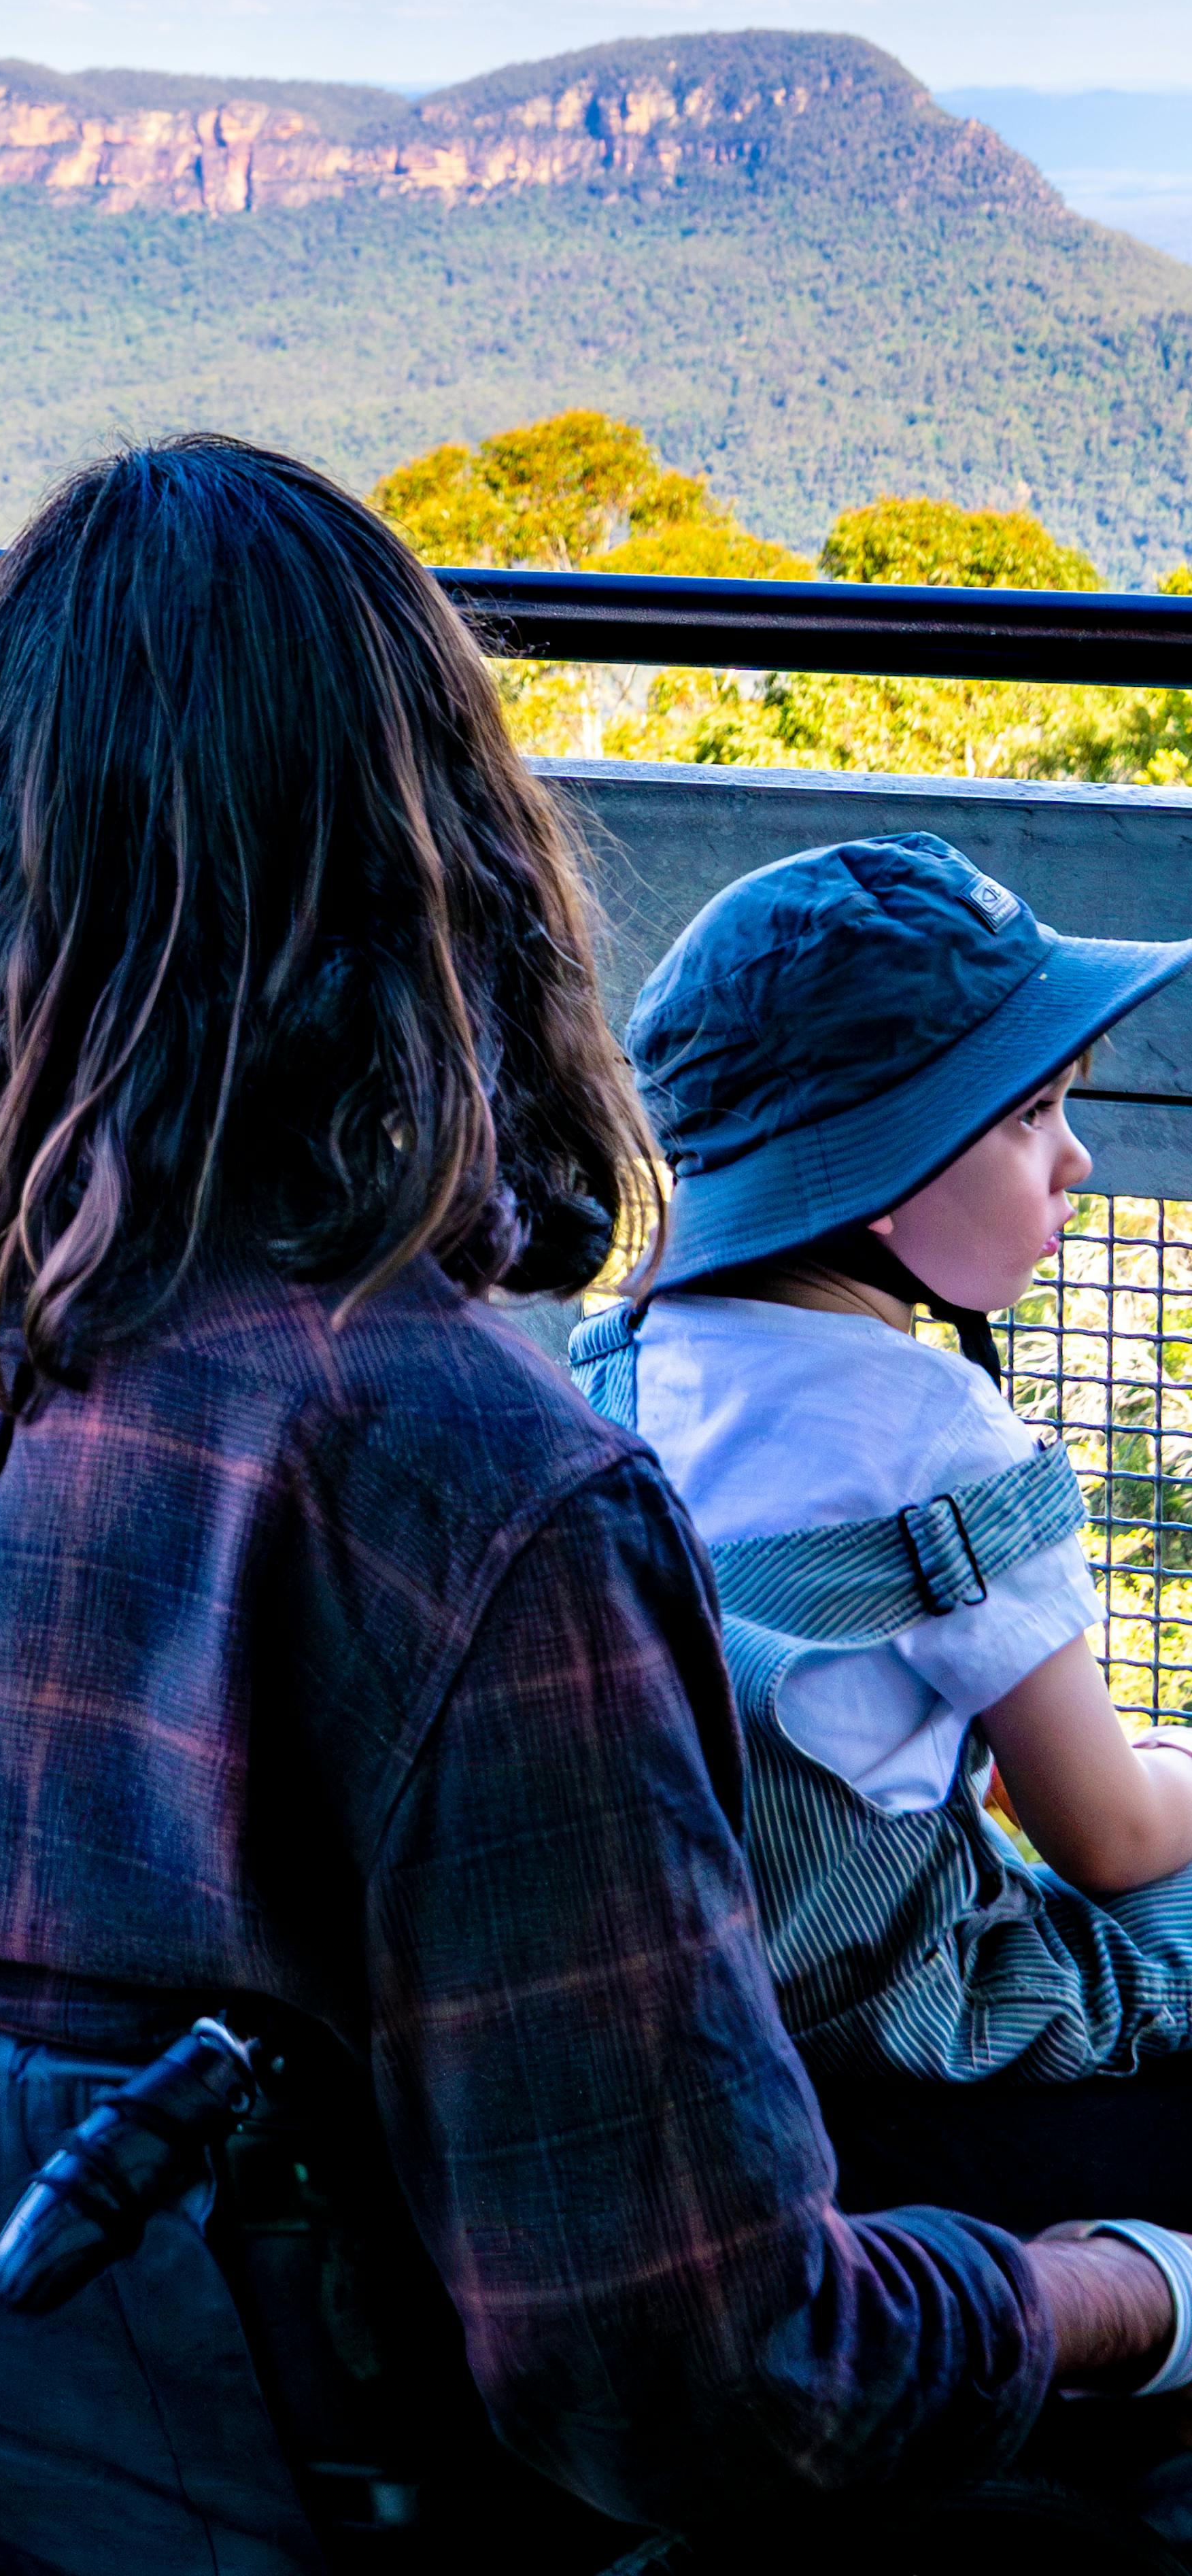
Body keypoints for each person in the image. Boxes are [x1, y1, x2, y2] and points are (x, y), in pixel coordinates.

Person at [0, 435, 1192, 2566]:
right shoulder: (465, 1476)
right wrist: (1128, 2285)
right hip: (405, 2510)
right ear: (440, 875)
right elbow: (707, 2383)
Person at [570, 834, 1192, 2227]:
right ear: (885, 1161)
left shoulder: (609, 1376)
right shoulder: (939, 1442)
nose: (1079, 1161)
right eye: (1033, 1113)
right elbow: (1110, 1836)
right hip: (919, 2049)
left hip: (707, 2036)